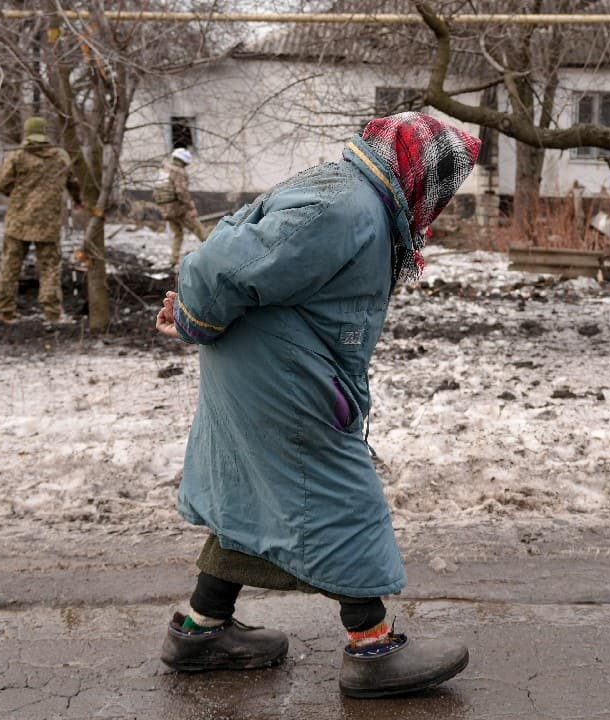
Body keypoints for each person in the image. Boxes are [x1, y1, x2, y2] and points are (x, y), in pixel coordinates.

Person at [154, 112, 479, 698]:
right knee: (336, 492)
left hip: (272, 364)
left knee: (262, 488)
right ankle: (372, 648)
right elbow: (219, 265)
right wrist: (191, 316)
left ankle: (201, 630)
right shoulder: (344, 208)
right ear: (419, 173)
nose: (442, 199)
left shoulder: (352, 196)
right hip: (280, 373)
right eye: (443, 184)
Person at [0, 116, 81, 324]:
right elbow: (74, 182)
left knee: (10, 266)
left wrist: (16, 194)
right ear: (45, 132)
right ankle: (52, 313)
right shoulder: (60, 157)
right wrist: (78, 200)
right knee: (50, 268)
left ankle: (5, 310)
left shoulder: (17, 157)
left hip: (18, 221)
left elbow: (0, 184)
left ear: (26, 132)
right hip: (48, 223)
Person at [153, 147, 207, 268]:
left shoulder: (164, 170)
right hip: (178, 208)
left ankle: (173, 260)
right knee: (200, 231)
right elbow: (181, 192)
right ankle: (216, 256)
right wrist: (191, 207)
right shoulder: (178, 171)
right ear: (184, 161)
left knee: (178, 234)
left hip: (165, 209)